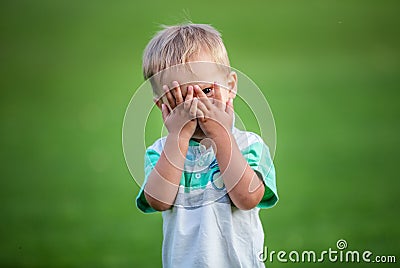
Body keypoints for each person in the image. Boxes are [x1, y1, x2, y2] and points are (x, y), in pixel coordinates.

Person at [136, 23, 278, 267]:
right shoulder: (161, 152)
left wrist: (222, 134)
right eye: (179, 98)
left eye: (207, 90)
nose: (195, 106)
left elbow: (247, 198)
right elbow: (158, 201)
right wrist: (178, 137)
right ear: (162, 105)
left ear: (231, 86)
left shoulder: (249, 145)